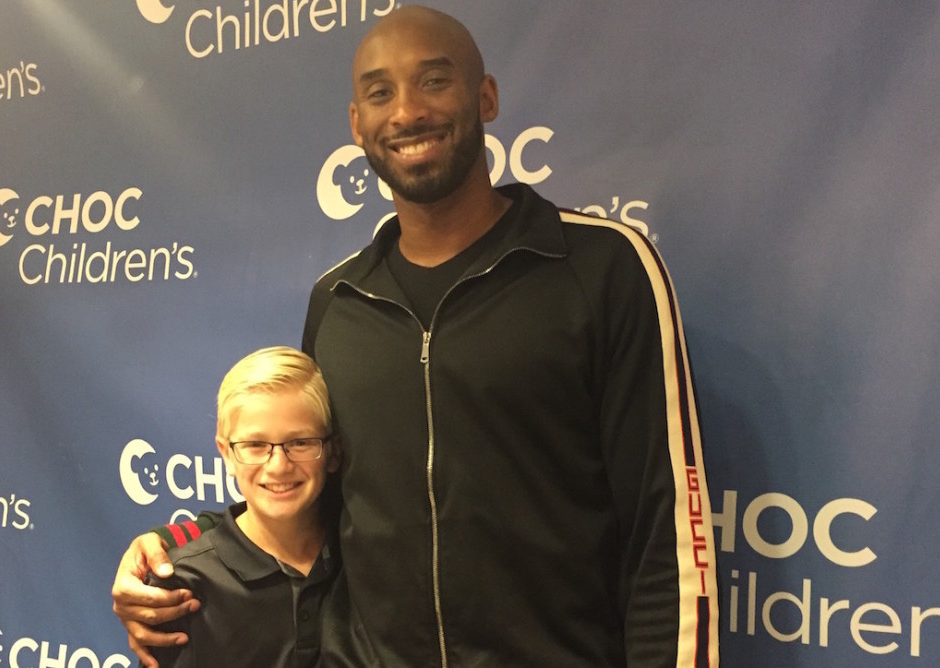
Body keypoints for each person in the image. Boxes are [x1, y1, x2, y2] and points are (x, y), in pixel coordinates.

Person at [113, 5, 720, 667]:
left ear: (485, 97)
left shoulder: (601, 267)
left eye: (434, 81)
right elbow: (309, 493)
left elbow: (667, 536)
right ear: (356, 124)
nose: (406, 112)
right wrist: (175, 542)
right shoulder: (340, 301)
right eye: (380, 93)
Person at [145, 346, 341, 667]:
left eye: (300, 442)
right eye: (255, 445)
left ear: (332, 451)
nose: (278, 465)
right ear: (226, 454)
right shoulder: (184, 585)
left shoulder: (362, 561)